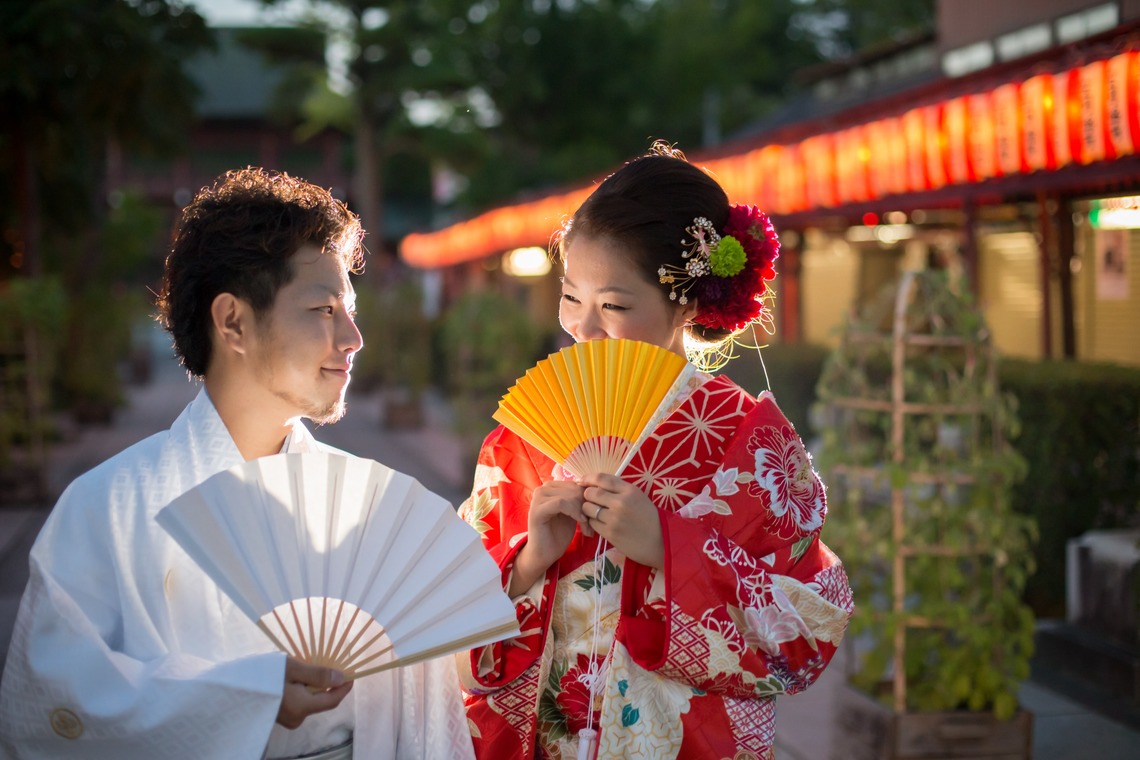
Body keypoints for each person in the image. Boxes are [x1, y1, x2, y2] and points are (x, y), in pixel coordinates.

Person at [0, 168, 474, 760]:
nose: (352, 338)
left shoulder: (370, 508)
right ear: (233, 322)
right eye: (324, 310)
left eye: (350, 311)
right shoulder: (108, 508)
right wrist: (246, 696)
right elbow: (52, 709)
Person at [455, 143, 854, 760]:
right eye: (570, 297)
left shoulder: (748, 442)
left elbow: (812, 626)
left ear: (687, 303)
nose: (583, 328)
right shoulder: (526, 436)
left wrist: (672, 548)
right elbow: (450, 609)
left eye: (613, 305)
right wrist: (529, 560)